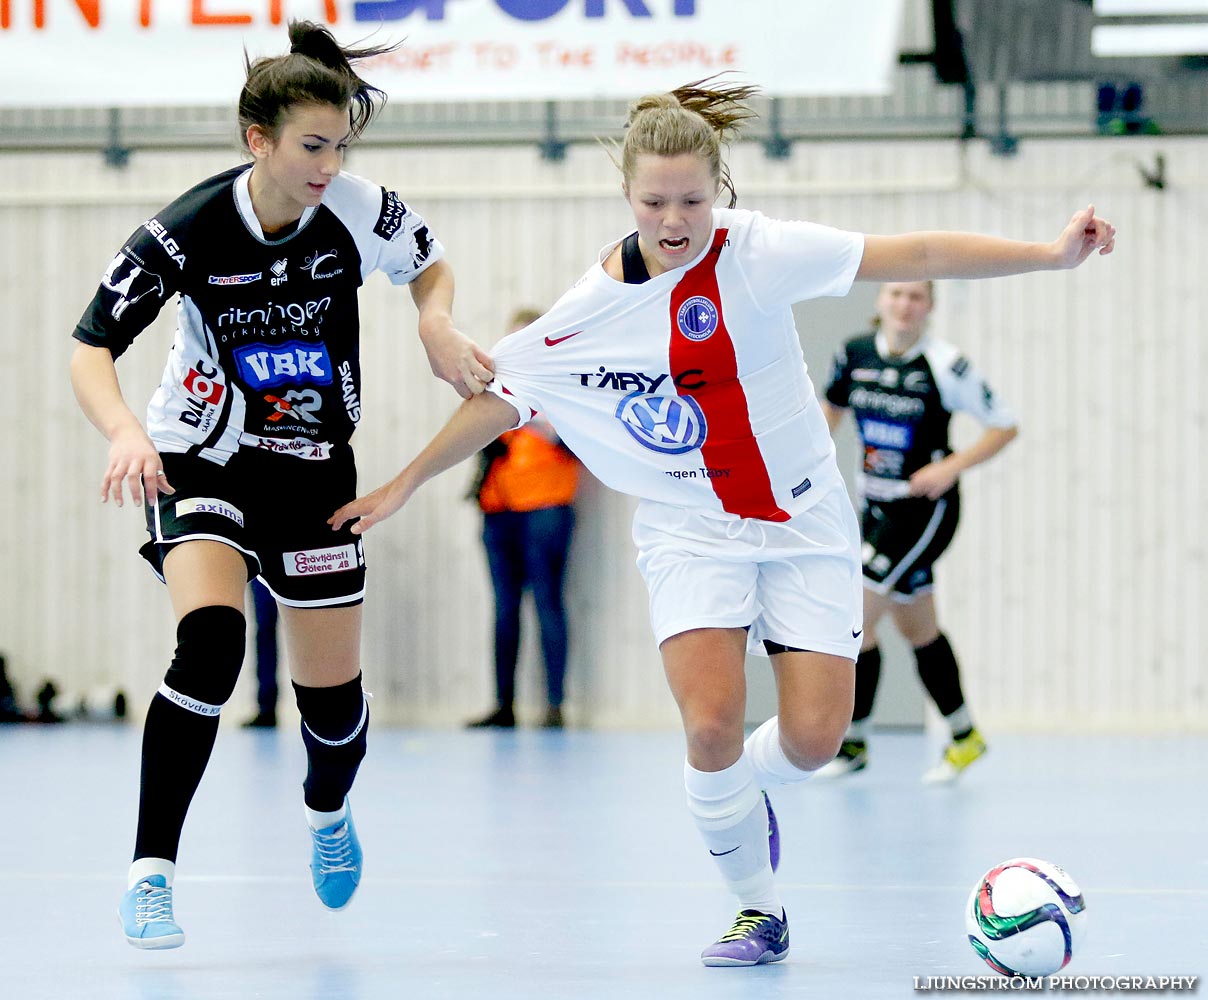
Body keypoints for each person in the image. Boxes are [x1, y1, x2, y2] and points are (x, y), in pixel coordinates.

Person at [329, 78, 1115, 967]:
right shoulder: (589, 309)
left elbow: (915, 247)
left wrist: (1049, 256)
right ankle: (757, 906)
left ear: (721, 191)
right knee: (709, 725)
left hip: (805, 519)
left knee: (816, 740)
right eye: (654, 201)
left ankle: (742, 791)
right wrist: (402, 483)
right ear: (626, 196)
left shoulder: (758, 252)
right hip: (689, 526)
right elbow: (500, 399)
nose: (674, 220)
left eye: (693, 200)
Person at [69, 20, 492, 950]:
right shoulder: (185, 232)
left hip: (312, 476)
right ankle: (152, 875)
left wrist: (436, 324)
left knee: (332, 710)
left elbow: (429, 267)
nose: (329, 164)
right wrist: (125, 432)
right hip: (201, 459)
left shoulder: (356, 208)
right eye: (312, 145)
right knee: (212, 645)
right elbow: (91, 344)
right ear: (257, 141)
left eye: (342, 145)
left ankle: (327, 814)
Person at [819, 281, 1019, 782]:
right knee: (917, 627)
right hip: (874, 506)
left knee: (855, 616)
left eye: (916, 296)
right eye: (896, 294)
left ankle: (851, 740)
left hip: (924, 511)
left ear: (929, 306)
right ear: (880, 302)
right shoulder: (855, 353)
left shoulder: (945, 365)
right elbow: (831, 412)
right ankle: (964, 735)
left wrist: (950, 467)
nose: (905, 304)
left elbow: (1004, 424)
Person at [466, 307, 580, 730]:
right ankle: (504, 706)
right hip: (499, 510)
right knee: (504, 607)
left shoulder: (563, 386)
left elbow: (572, 441)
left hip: (546, 507)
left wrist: (522, 410)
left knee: (548, 601)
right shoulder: (496, 389)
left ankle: (554, 705)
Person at [242, 578, 281, 729]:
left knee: (307, 629)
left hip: (295, 558)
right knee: (264, 629)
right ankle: (266, 708)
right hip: (263, 565)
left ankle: (315, 703)